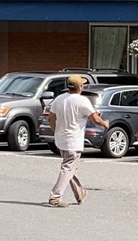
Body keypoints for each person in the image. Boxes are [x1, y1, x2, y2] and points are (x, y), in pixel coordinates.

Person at [44, 75, 104, 207]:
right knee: (68, 168)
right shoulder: (82, 101)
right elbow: (95, 119)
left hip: (61, 140)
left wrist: (56, 130)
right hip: (73, 141)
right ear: (80, 87)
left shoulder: (59, 99)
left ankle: (79, 192)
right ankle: (55, 196)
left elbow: (50, 118)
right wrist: (105, 124)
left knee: (71, 167)